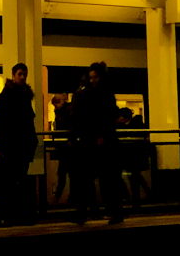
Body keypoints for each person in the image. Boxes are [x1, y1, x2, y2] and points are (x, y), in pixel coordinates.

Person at [70, 62, 124, 226]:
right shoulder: (106, 93)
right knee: (107, 180)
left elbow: (81, 117)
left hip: (91, 141)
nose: (93, 80)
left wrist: (73, 137)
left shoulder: (85, 93)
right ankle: (114, 212)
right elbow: (110, 115)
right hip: (101, 142)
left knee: (86, 179)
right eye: (91, 77)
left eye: (95, 77)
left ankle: (83, 213)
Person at [0, 64, 38, 227]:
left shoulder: (16, 97)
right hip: (13, 147)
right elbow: (0, 125)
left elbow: (0, 124)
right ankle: (10, 215)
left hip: (18, 147)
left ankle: (10, 216)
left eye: (24, 74)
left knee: (13, 182)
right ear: (13, 76)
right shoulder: (8, 98)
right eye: (20, 74)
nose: (23, 77)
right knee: (12, 183)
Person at [50, 93, 73, 204]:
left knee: (63, 173)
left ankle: (58, 198)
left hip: (65, 147)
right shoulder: (68, 110)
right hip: (67, 147)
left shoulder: (62, 113)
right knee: (70, 174)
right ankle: (71, 198)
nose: (56, 107)